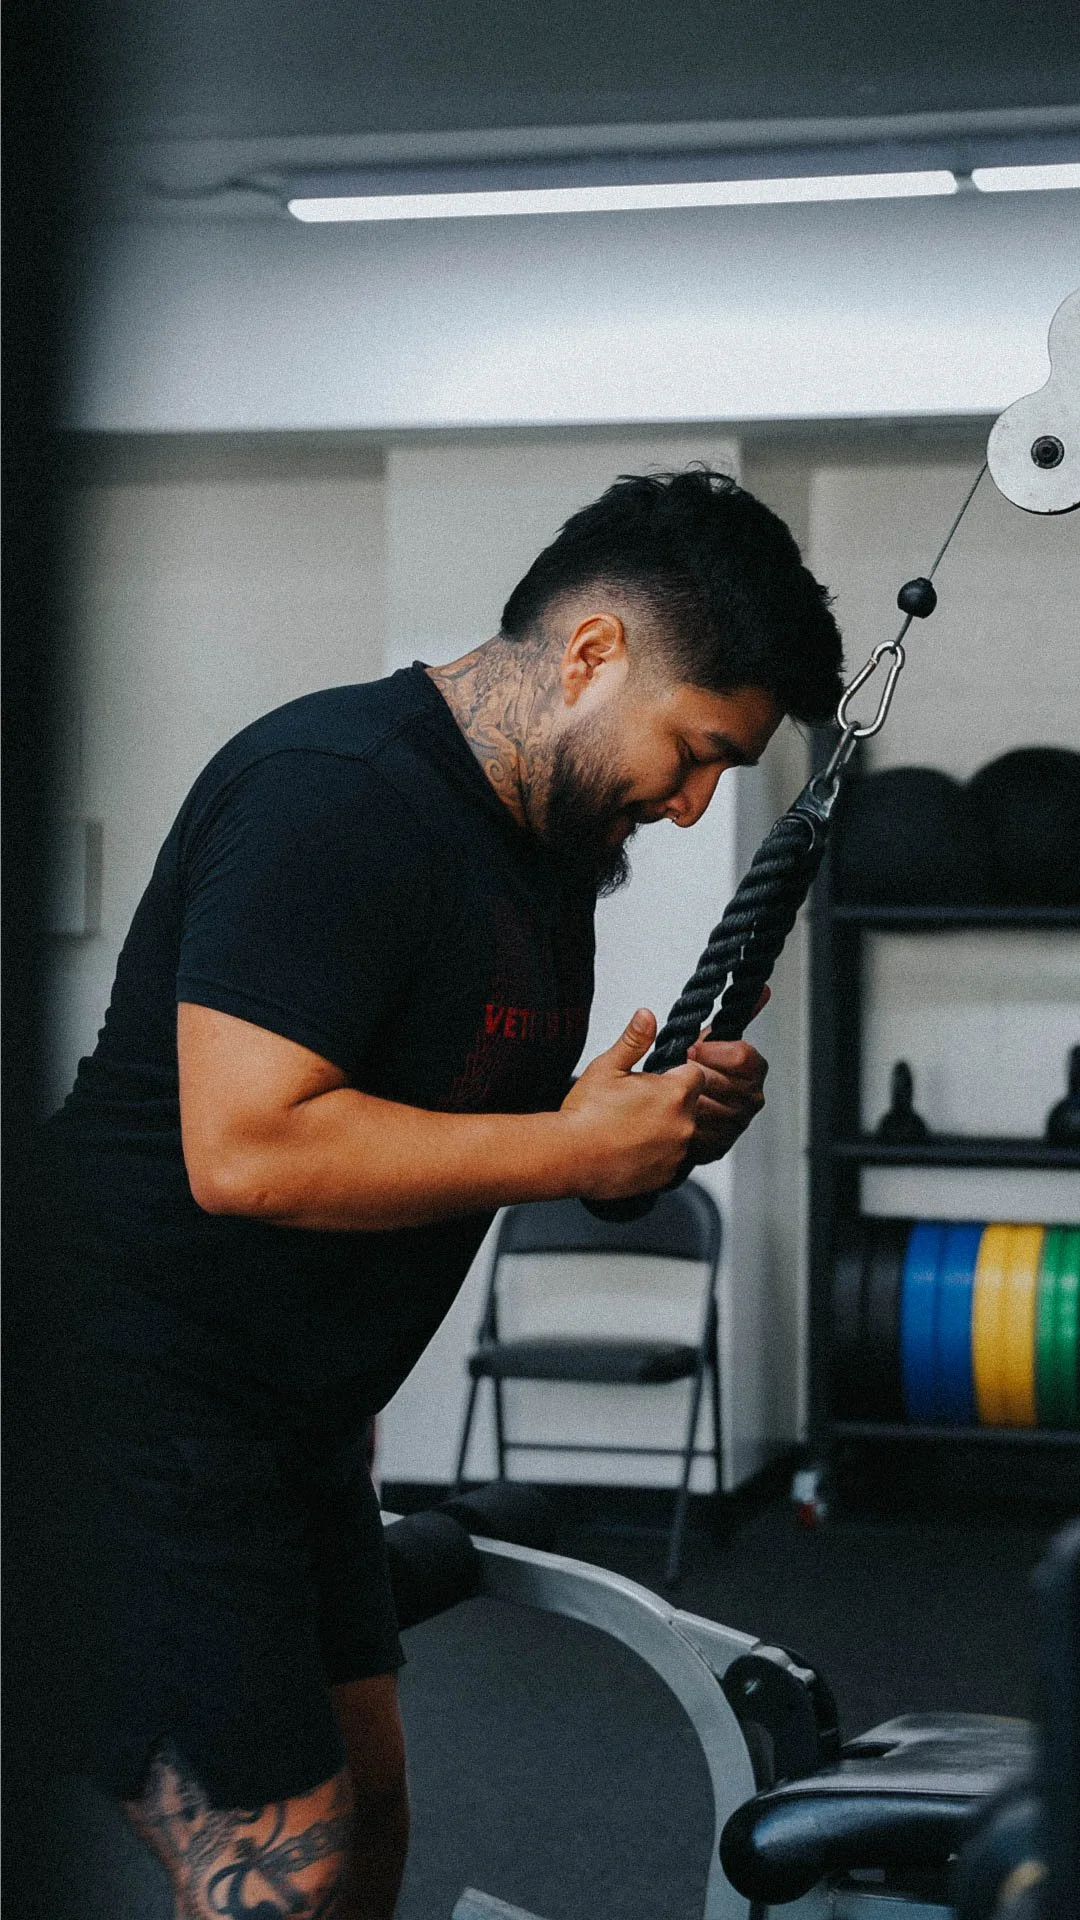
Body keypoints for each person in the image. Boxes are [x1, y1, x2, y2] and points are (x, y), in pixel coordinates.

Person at [35, 468, 843, 1919]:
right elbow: (251, 1151)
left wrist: (638, 1135)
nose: (692, 806)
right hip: (124, 1396)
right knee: (279, 1866)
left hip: (289, 1419)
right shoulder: (336, 792)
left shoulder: (544, 858)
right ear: (592, 651)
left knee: (370, 1823)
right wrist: (571, 1151)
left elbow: (458, 1135)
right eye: (695, 751)